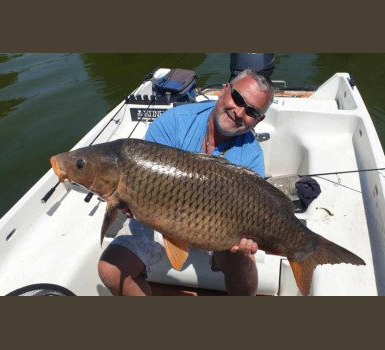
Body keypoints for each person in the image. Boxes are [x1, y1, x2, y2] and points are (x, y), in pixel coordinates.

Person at [98, 69, 274, 296]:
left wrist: (244, 244)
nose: (238, 112)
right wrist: (129, 201)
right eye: (237, 99)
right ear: (225, 90)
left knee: (246, 276)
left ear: (259, 120)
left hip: (219, 228)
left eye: (251, 111)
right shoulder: (173, 122)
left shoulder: (252, 157)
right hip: (159, 216)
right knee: (110, 270)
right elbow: (139, 179)